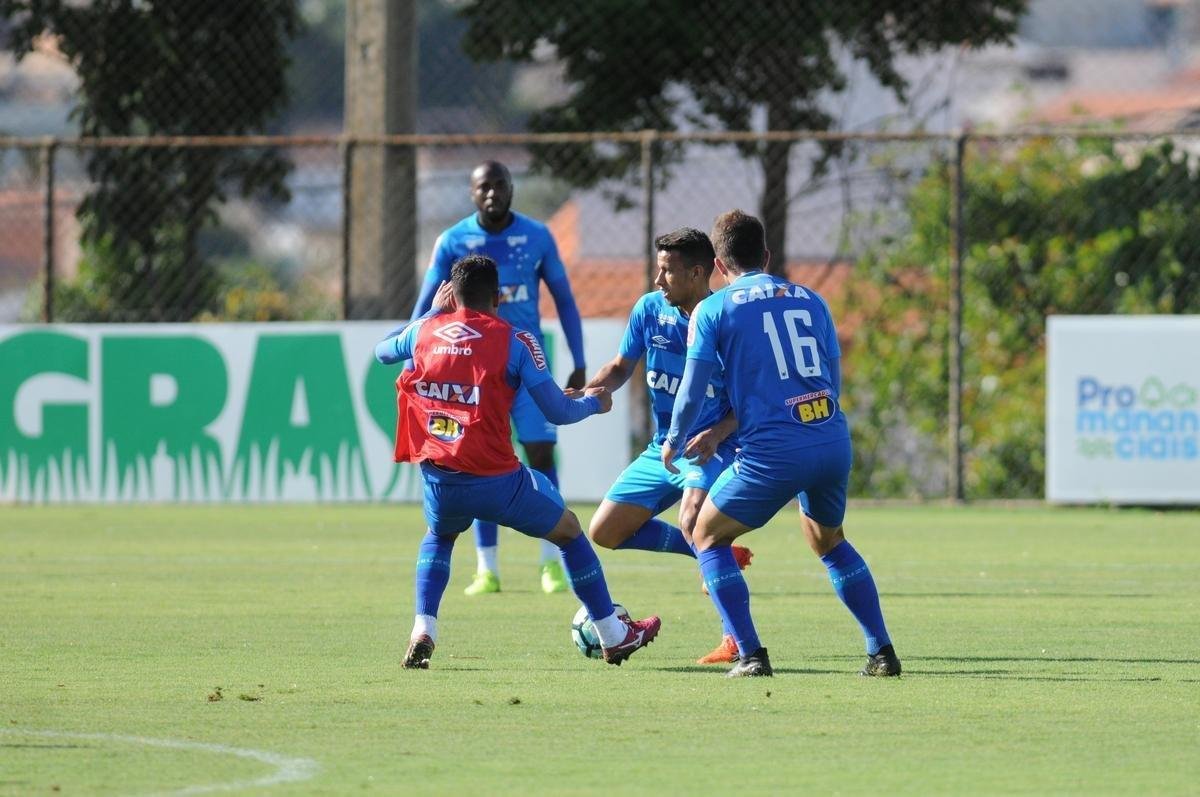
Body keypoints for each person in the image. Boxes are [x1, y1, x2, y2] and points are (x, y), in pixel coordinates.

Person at [377, 254, 661, 669]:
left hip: (441, 477)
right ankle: (614, 634)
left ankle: (424, 626)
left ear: (452, 294)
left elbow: (383, 351)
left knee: (439, 537)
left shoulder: (423, 331)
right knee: (568, 530)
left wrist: (434, 311)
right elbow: (557, 413)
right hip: (498, 480)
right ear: (498, 297)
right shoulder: (517, 340)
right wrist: (592, 403)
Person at [663, 210, 900, 678]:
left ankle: (750, 655)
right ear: (766, 256)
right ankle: (881, 652)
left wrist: (673, 439)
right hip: (831, 439)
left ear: (716, 263)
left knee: (707, 535)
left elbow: (692, 388)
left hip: (773, 451)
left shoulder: (713, 309)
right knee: (828, 540)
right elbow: (833, 379)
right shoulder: (812, 299)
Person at [413, 160, 586, 597]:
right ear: (472, 194)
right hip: (474, 374)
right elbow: (425, 309)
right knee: (479, 463)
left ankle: (552, 564)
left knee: (542, 454)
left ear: (512, 189)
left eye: (499, 185)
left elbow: (564, 300)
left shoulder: (538, 236)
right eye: (483, 187)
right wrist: (413, 359)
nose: (492, 193)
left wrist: (579, 358)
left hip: (524, 365)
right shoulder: (452, 240)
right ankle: (487, 569)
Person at [581, 227, 752, 665]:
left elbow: (751, 402)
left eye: (667, 272)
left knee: (692, 515)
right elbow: (622, 366)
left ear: (698, 273)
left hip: (714, 446)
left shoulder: (726, 319)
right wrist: (591, 390)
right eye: (657, 270)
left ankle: (736, 640)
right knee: (605, 532)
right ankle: (711, 550)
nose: (658, 281)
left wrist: (716, 433)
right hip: (664, 447)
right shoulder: (649, 309)